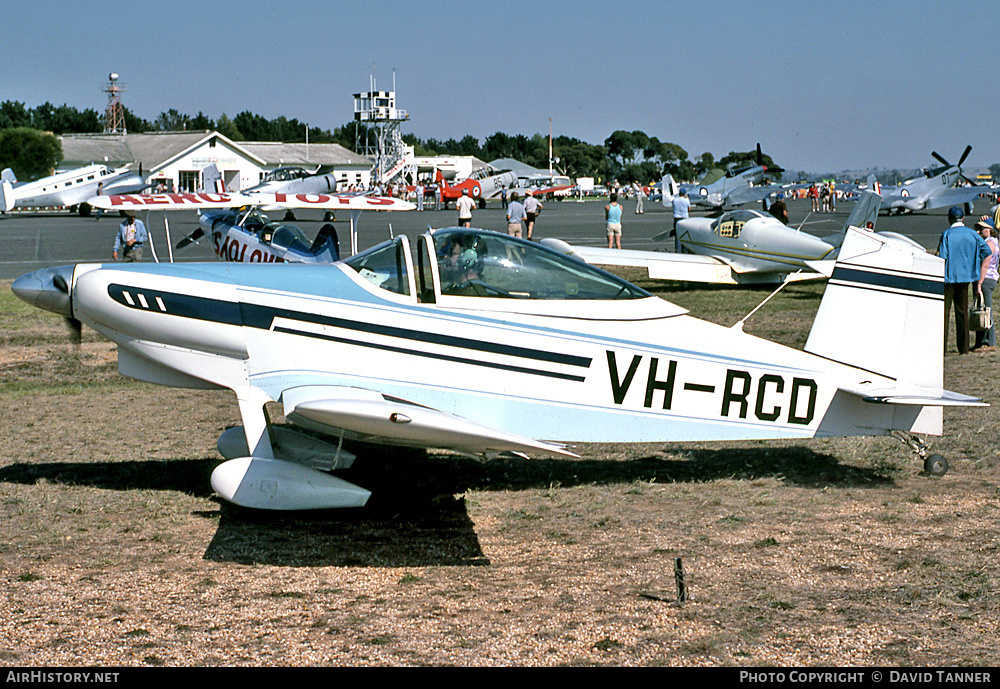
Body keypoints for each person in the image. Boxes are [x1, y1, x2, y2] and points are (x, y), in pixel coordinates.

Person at [937, 206, 992, 354]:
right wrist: (973, 260)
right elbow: (986, 251)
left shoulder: (947, 234)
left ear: (950, 219)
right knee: (962, 313)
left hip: (948, 277)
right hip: (965, 277)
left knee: (945, 313)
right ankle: (964, 347)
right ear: (963, 218)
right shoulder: (972, 234)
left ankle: (942, 347)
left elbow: (942, 256)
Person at [972, 216, 999, 352]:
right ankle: (980, 341)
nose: (979, 231)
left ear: (989, 229)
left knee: (986, 311)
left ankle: (989, 341)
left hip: (985, 279)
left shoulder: (988, 244)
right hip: (991, 278)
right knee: (982, 310)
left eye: (982, 228)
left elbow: (985, 265)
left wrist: (979, 283)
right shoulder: (995, 242)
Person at [671, 188, 691, 252]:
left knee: (677, 235)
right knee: (685, 235)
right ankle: (685, 250)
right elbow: (689, 209)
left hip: (677, 218)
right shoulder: (686, 200)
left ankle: (678, 250)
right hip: (684, 218)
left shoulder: (675, 200)